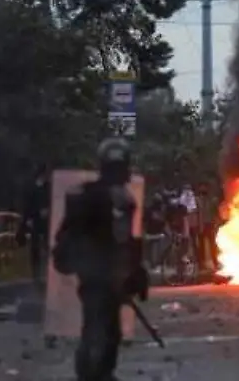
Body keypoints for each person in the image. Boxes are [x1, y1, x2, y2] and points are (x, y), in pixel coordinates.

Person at [51, 137, 149, 381]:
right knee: (102, 327)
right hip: (104, 271)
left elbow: (67, 233)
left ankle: (97, 373)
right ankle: (95, 374)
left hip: (93, 271)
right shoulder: (120, 199)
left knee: (99, 324)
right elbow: (124, 239)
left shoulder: (82, 193)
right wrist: (134, 272)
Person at [17, 163, 52, 284]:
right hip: (36, 218)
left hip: (48, 219)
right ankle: (36, 272)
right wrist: (27, 219)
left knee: (48, 244)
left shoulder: (49, 187)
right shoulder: (31, 187)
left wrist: (48, 209)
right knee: (35, 245)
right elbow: (27, 205)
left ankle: (48, 271)